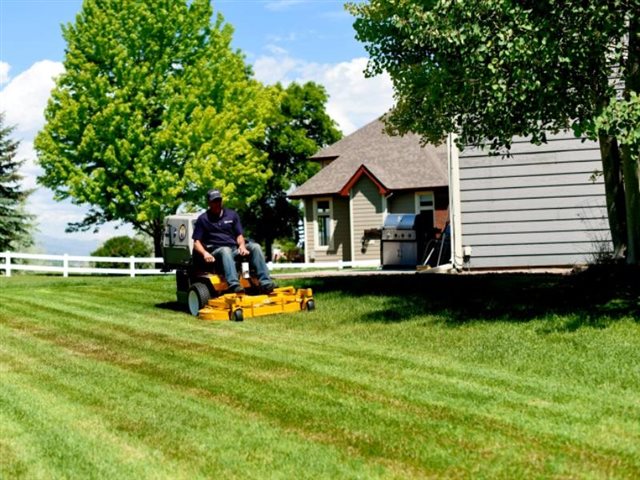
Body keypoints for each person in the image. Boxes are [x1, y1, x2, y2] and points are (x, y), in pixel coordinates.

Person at [192, 189, 276, 294]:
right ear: (209, 203)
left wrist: (242, 246)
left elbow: (239, 235)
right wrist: (205, 253)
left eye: (219, 200)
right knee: (225, 250)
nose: (217, 203)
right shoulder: (203, 219)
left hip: (234, 249)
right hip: (216, 252)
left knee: (255, 247)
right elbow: (196, 243)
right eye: (214, 201)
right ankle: (234, 284)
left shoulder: (232, 215)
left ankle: (265, 283)